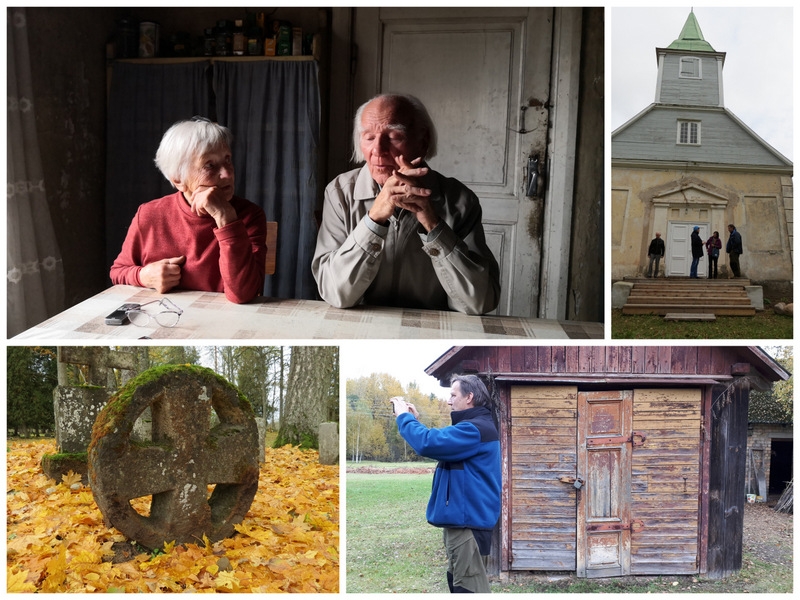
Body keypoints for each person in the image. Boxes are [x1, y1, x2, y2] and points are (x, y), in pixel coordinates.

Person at [312, 93, 500, 315]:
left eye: (393, 136)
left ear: (423, 141)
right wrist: (373, 222)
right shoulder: (340, 193)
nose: (378, 150)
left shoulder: (459, 200)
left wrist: (434, 226)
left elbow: (480, 302)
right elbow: (336, 293)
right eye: (369, 137)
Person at [110, 117, 267, 304]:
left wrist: (226, 218)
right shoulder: (149, 214)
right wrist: (143, 275)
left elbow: (243, 294)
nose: (227, 173)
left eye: (228, 159)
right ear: (178, 180)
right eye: (210, 165)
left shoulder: (249, 215)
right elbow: (118, 272)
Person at [390, 375, 501, 594]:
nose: (449, 401)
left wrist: (404, 417)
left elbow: (428, 442)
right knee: (458, 583)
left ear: (469, 397)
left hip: (467, 525)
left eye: (453, 395)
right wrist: (414, 421)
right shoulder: (472, 428)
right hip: (462, 522)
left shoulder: (474, 429)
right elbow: (437, 441)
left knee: (468, 589)